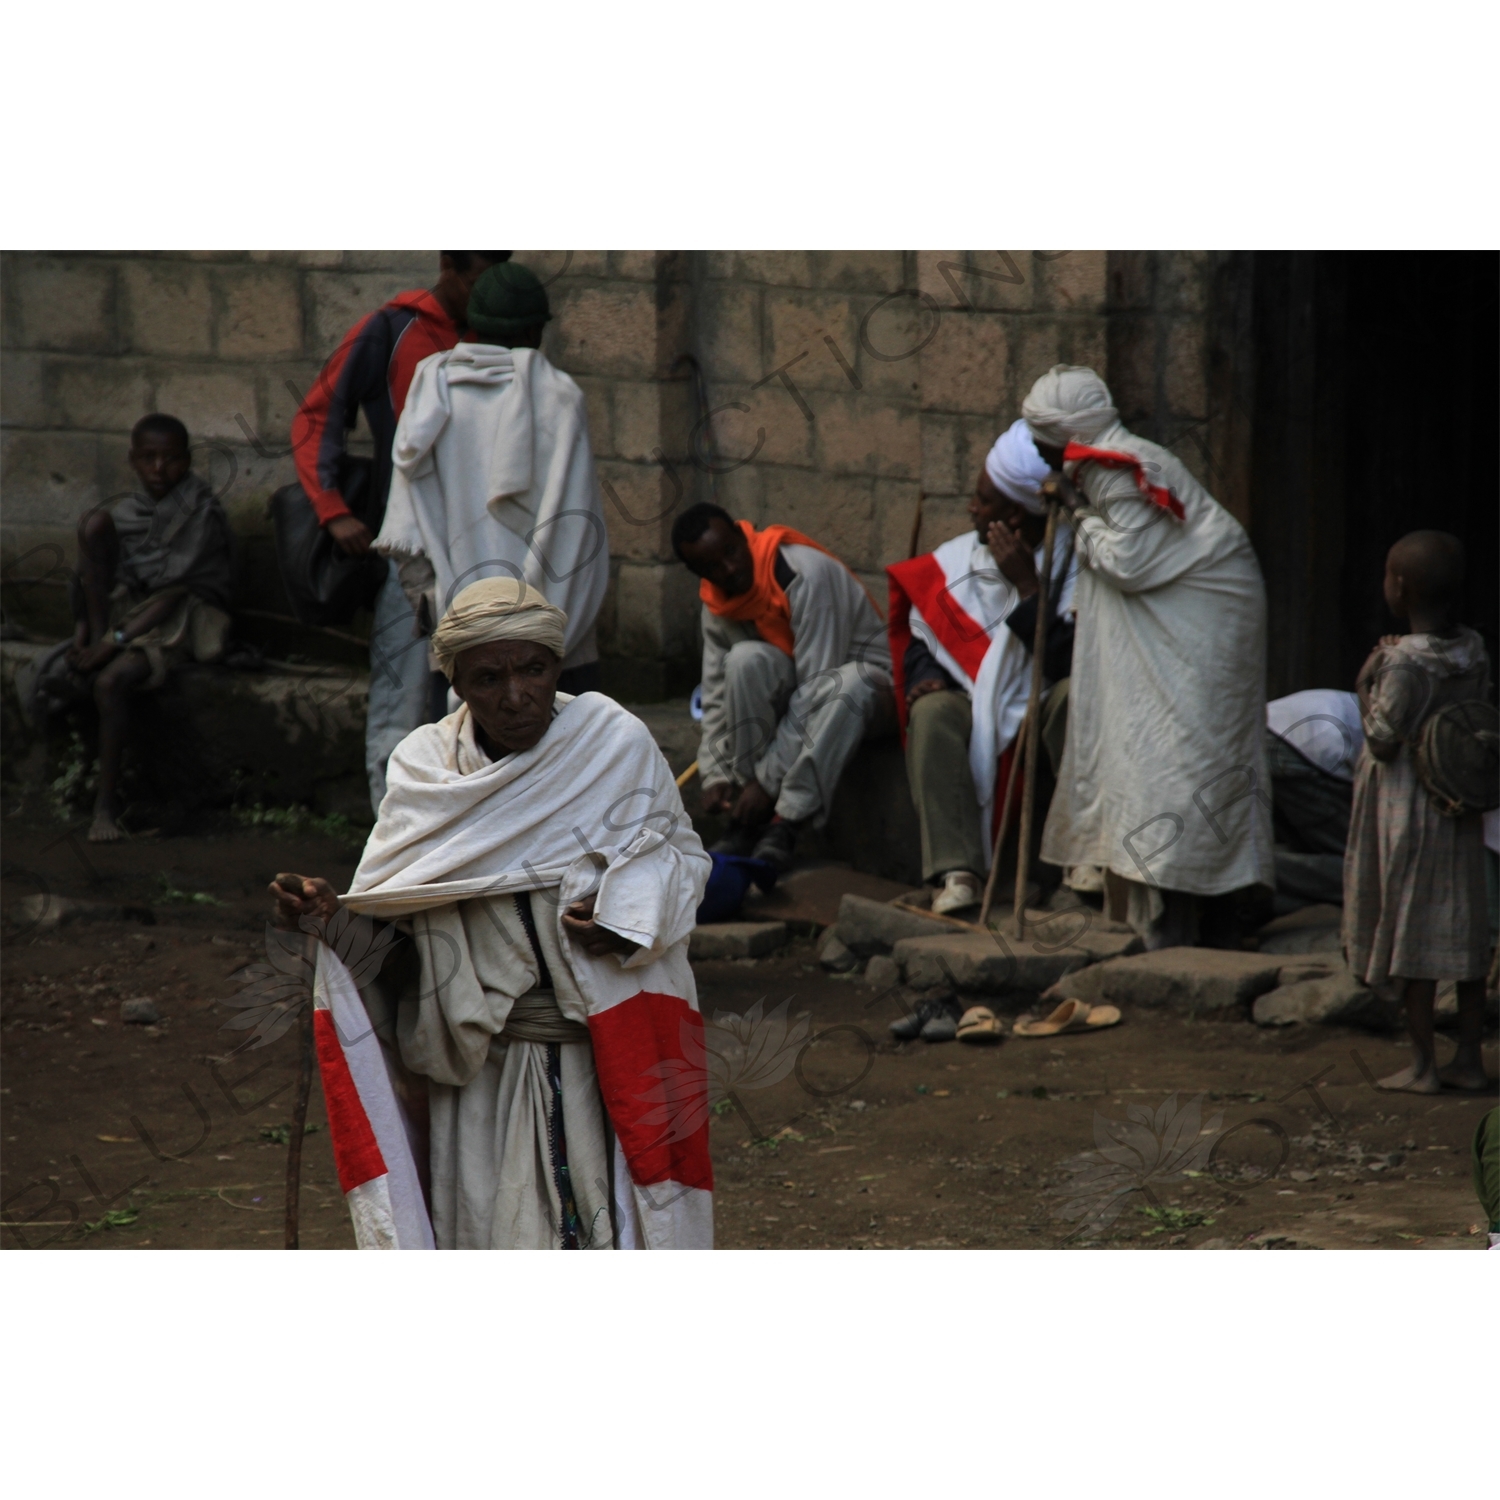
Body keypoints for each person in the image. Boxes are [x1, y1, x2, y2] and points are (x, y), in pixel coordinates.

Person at [269, 578, 713, 1249]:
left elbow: (682, 862)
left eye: (533, 670)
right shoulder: (428, 778)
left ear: (558, 666)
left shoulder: (613, 748)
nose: (515, 696)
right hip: (481, 1081)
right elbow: (398, 953)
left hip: (608, 1064)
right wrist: (331, 920)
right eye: (488, 678)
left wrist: (627, 911)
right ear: (458, 685)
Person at [1021, 365, 1273, 949]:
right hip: (1176, 621)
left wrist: (1075, 507)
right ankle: (1166, 917)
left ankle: (1205, 912)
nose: (1034, 449)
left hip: (1203, 623)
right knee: (1151, 755)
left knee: (1184, 759)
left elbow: (1129, 563)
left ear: (1062, 434)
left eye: (1039, 438)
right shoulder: (1103, 463)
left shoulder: (1116, 468)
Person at [291, 251, 511, 813]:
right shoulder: (389, 329)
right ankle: (386, 849)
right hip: (410, 553)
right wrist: (332, 507)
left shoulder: (496, 334)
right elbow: (318, 415)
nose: (491, 293)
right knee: (404, 698)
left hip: (482, 552)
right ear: (452, 269)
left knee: (466, 703)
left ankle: (455, 841)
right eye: (484, 278)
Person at [374, 261, 608, 714]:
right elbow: (576, 535)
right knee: (569, 769)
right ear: (538, 330)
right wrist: (544, 633)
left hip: (461, 632)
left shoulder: (432, 391)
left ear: (474, 322)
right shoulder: (557, 395)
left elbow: (407, 536)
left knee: (466, 766)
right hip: (553, 635)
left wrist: (444, 619)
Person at [888, 419, 1077, 923]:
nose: (972, 508)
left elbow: (1068, 659)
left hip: (1043, 697)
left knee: (1079, 699)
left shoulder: (1073, 562)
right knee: (931, 713)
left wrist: (1028, 590)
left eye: (983, 501)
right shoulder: (960, 558)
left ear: (1015, 517)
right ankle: (958, 873)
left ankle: (1082, 859)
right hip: (974, 697)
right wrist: (929, 670)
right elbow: (921, 631)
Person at [1343, 531, 1491, 1094]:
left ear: (1398, 587)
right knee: (1465, 933)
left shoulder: (1403, 663)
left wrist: (1365, 681)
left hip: (1411, 809)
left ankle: (1424, 1065)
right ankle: (1470, 1061)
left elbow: (1382, 739)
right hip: (1460, 805)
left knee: (1413, 938)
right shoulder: (1473, 647)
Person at [672, 503, 894, 872]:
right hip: (804, 688)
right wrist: (716, 773)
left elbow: (817, 688)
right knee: (744, 660)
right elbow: (713, 693)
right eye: (712, 567)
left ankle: (787, 820)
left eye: (731, 551)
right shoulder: (717, 604)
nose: (729, 569)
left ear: (744, 536)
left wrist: (768, 780)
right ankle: (745, 812)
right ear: (699, 574)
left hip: (867, 692)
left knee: (850, 684)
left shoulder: (802, 575)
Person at [60, 414, 235, 842]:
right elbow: (92, 574)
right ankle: (103, 648)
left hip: (177, 617)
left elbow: (175, 592)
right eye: (149, 458)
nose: (159, 469)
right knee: (92, 525)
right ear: (133, 461)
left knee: (109, 683)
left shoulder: (199, 510)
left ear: (188, 461)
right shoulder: (128, 511)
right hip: (129, 611)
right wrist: (87, 635)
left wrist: (114, 643)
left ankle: (106, 808)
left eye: (171, 459)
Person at [1264, 688, 1363, 910]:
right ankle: (1259, 874)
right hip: (1303, 749)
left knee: (1306, 844)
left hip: (1271, 734)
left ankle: (1260, 885)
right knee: (1359, 862)